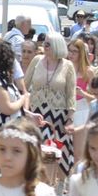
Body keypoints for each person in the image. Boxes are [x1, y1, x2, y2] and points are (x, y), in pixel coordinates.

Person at [26, 33, 77, 175]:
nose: (44, 46)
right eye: (44, 43)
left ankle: (58, 185)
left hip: (58, 115)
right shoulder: (37, 61)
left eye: (48, 44)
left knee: (58, 150)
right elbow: (24, 86)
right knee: (36, 148)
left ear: (57, 46)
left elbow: (71, 94)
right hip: (37, 114)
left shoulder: (68, 66)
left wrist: (70, 119)